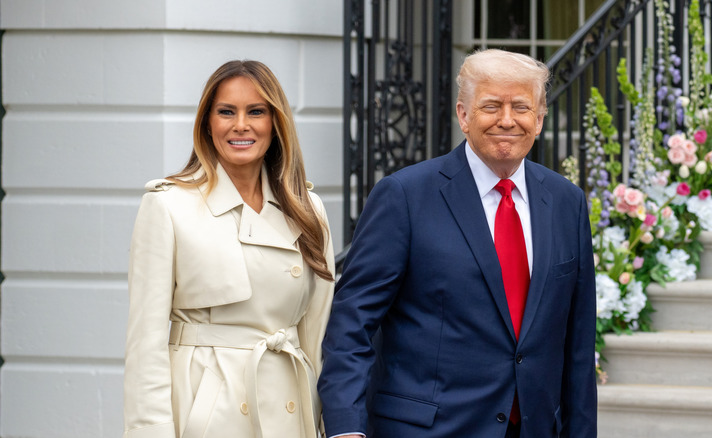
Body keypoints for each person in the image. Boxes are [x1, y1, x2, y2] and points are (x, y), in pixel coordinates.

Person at [318, 49, 597, 438]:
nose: (507, 120)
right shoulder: (404, 196)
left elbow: (578, 345)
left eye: (521, 107)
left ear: (539, 119)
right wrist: (346, 428)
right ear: (463, 115)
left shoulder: (566, 201)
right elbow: (352, 323)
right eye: (491, 106)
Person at [123, 60, 335, 438]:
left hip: (289, 411)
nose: (241, 125)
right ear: (207, 122)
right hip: (206, 413)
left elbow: (318, 335)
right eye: (226, 112)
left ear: (275, 123)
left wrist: (325, 423)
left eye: (256, 111)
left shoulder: (307, 209)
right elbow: (145, 345)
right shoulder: (168, 205)